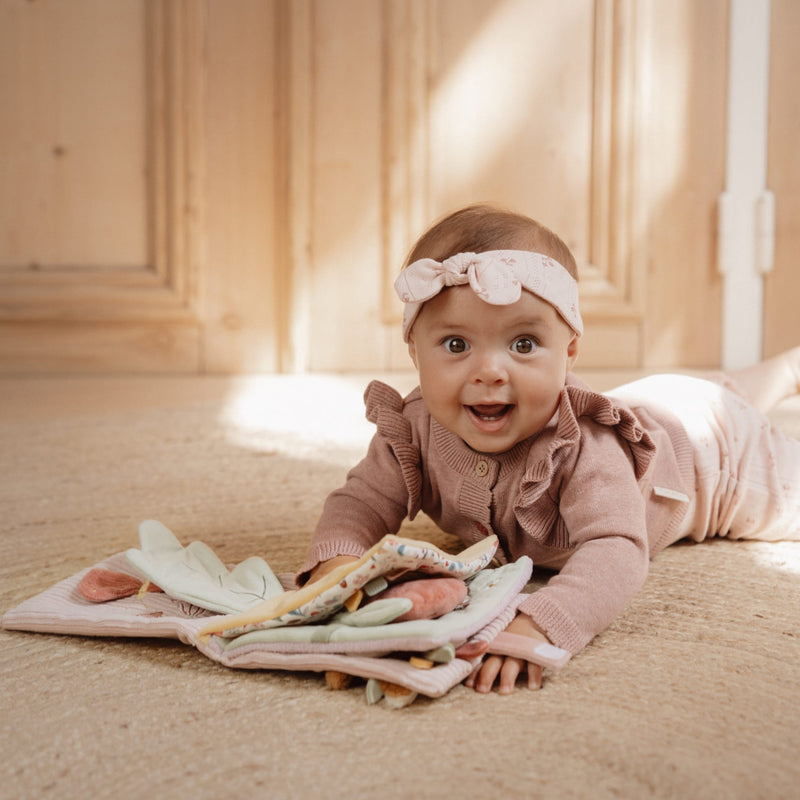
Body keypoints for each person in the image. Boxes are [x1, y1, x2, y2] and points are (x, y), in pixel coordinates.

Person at [296, 203, 800, 695]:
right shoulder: (411, 429)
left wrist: (540, 625)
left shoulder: (585, 445)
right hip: (664, 401)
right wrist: (339, 566)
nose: (490, 371)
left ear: (570, 352)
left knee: (747, 438)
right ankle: (779, 373)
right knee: (715, 392)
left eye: (523, 345)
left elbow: (617, 549)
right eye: (455, 345)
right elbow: (359, 501)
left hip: (719, 461)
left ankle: (772, 381)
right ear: (413, 350)